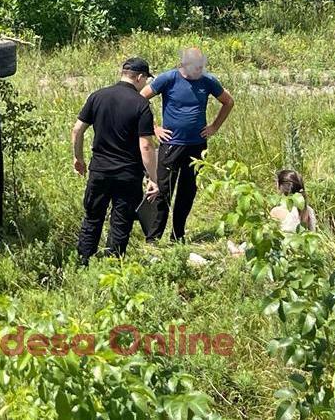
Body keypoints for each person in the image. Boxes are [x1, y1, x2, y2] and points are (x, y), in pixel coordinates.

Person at [140, 48, 235, 243]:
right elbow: (140, 99)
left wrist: (214, 127)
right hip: (171, 144)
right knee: (163, 190)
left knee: (188, 190)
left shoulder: (208, 81)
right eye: (196, 67)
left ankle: (178, 235)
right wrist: (154, 127)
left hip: (196, 145)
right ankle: (153, 238)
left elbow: (228, 102)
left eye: (202, 67)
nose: (200, 70)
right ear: (183, 65)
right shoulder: (168, 79)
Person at [72, 58, 160, 265]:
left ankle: (83, 261)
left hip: (99, 171)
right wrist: (153, 178)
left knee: (93, 217)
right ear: (139, 77)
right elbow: (146, 145)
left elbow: (77, 129)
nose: (145, 83)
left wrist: (78, 158)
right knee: (121, 221)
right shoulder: (141, 104)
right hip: (127, 174)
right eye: (145, 79)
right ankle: (113, 264)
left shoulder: (97, 96)